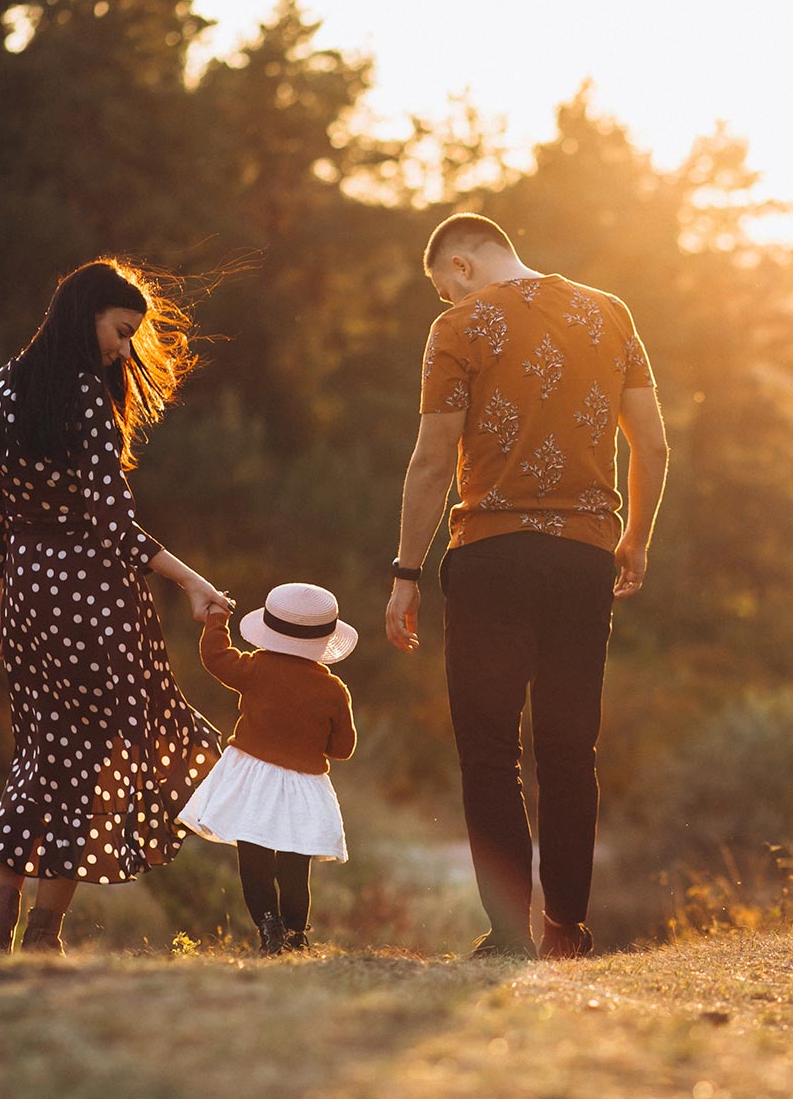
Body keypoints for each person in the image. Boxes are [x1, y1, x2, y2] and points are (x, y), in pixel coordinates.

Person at [385, 214, 669, 959]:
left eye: (442, 285)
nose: (444, 296)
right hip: (584, 558)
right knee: (571, 748)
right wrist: (635, 537)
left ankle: (510, 934)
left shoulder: (459, 326)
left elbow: (431, 458)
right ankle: (567, 930)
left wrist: (406, 571)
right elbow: (654, 442)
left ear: (461, 265)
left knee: (488, 749)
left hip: (492, 556)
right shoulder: (610, 312)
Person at [0, 258, 232, 955]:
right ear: (84, 313)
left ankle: (0, 919)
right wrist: (189, 581)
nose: (123, 349)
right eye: (120, 332)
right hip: (92, 593)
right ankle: (43, 935)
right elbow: (113, 529)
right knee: (95, 758)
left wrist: (1, 610)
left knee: (39, 752)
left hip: (29, 590)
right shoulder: (85, 395)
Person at [177, 583, 357, 954]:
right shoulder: (334, 689)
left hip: (252, 779)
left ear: (271, 630)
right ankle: (296, 937)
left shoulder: (256, 666)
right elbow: (343, 749)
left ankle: (268, 929)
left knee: (254, 862)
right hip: (304, 787)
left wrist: (216, 620)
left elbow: (216, 658)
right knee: (294, 868)